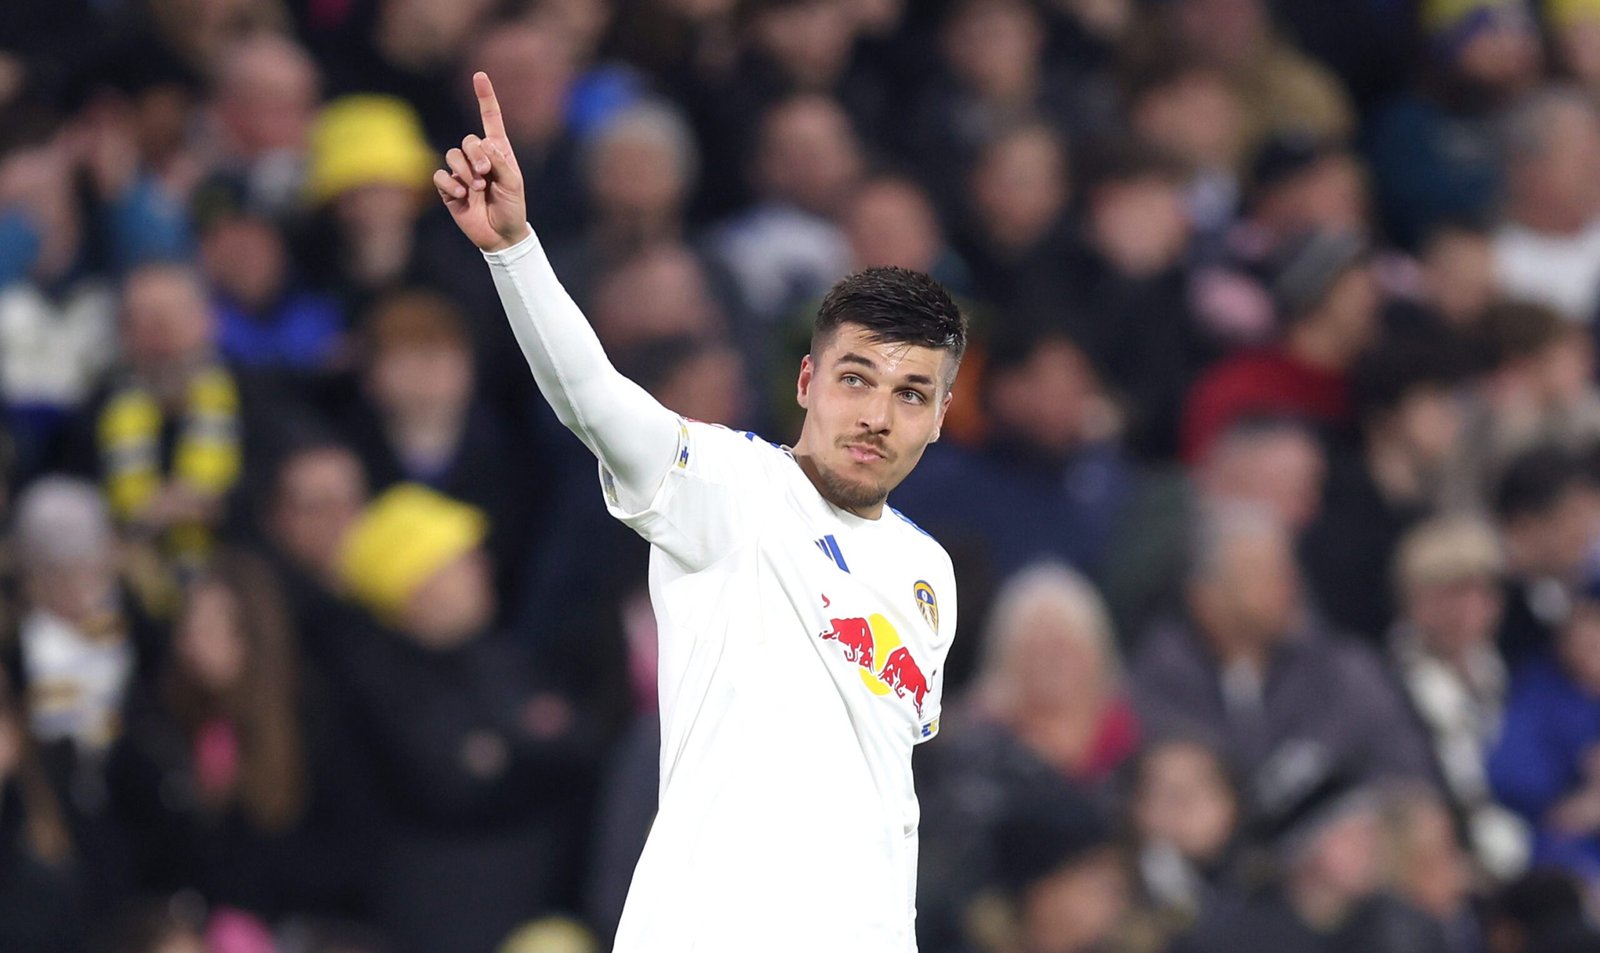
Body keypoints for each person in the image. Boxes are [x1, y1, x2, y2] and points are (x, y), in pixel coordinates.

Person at [435, 72, 965, 952]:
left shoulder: (929, 574)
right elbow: (593, 399)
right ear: (806, 381)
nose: (878, 415)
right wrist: (515, 250)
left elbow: (882, 807)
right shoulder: (728, 485)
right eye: (856, 378)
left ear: (941, 415)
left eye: (911, 393)